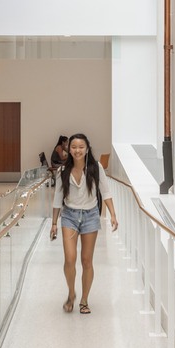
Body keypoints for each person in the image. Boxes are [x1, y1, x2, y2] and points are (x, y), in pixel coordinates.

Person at [50, 133, 117, 314]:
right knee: (69, 259)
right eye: (73, 147)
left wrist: (113, 214)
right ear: (68, 149)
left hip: (90, 216)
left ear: (87, 149)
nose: (77, 150)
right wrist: (54, 223)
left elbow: (106, 191)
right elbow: (57, 198)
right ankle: (71, 293)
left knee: (87, 261)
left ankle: (84, 300)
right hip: (69, 216)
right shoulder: (62, 171)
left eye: (81, 147)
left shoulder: (96, 168)